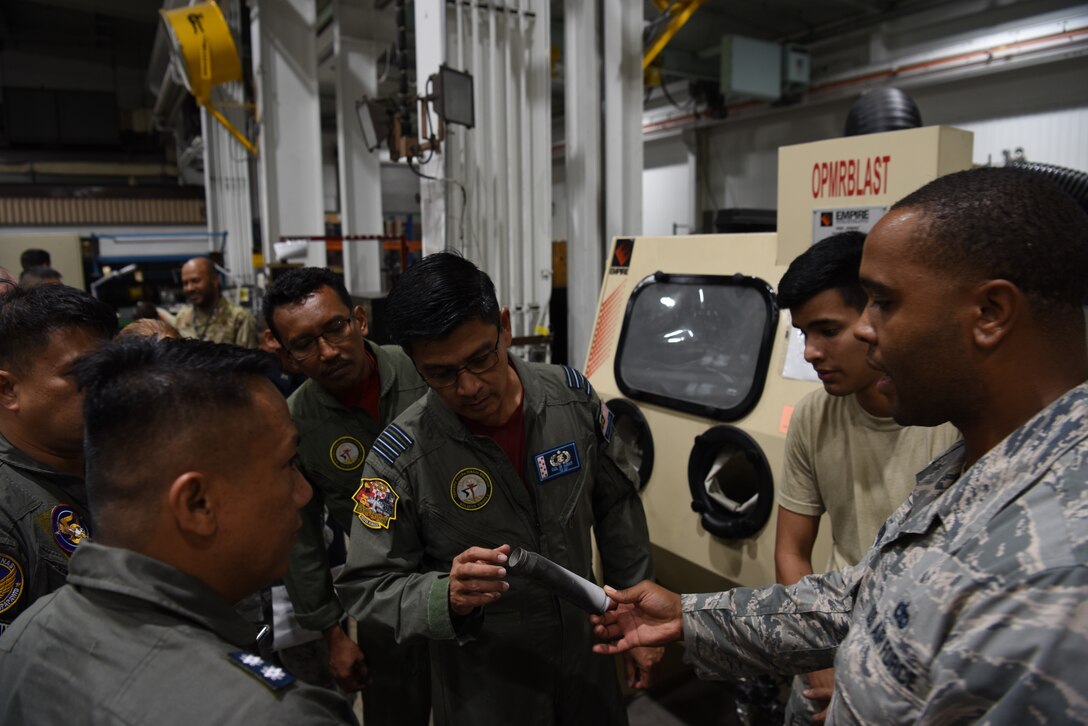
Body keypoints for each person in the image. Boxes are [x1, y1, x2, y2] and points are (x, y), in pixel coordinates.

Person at [591, 166, 1088, 722]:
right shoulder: (974, 468)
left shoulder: (1056, 572)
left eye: (883, 302)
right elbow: (869, 598)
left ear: (990, 313)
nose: (866, 330)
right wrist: (688, 616)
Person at [335, 252, 660, 726]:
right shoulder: (396, 460)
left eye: (481, 357)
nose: (469, 386)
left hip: (587, 657)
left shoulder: (572, 398)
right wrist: (444, 595)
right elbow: (366, 584)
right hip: (485, 682)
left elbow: (616, 510)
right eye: (441, 373)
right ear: (415, 363)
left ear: (504, 327)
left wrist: (636, 614)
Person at [0, 339, 357, 724]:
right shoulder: (270, 714)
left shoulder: (25, 637)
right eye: (287, 464)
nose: (303, 493)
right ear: (196, 504)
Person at [774, 231, 959, 722]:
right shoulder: (814, 417)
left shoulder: (948, 419)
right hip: (829, 640)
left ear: (875, 318)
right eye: (802, 334)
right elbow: (791, 551)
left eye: (827, 330)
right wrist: (819, 663)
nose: (811, 352)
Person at [263, 267, 430, 724]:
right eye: (303, 344)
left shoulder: (427, 372)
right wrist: (332, 634)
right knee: (395, 712)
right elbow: (302, 539)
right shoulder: (295, 424)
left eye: (335, 328)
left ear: (359, 319)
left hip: (471, 576)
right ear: (287, 353)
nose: (327, 352)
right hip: (382, 595)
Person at [0, 285, 117, 633]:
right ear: (8, 390)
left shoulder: (119, 461)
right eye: (81, 374)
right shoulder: (8, 510)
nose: (105, 387)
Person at [174, 256, 258, 347]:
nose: (189, 288)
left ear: (214, 280)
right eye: (185, 283)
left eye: (195, 281)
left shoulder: (239, 319)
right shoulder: (182, 318)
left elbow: (249, 360)